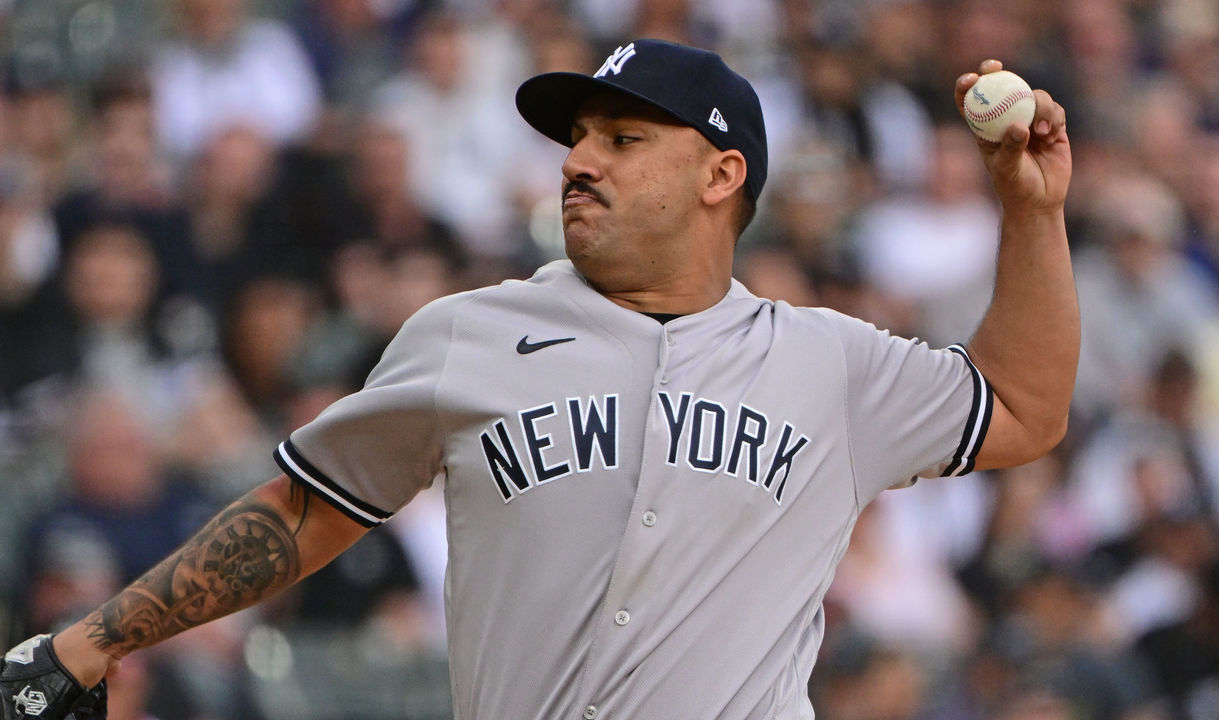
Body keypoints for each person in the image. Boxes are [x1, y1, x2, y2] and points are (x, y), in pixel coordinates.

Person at [1, 39, 1076, 720]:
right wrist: (93, 641)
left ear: (720, 174)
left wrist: (1030, 211)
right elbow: (299, 513)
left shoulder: (827, 360)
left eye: (620, 137)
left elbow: (1022, 406)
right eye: (574, 139)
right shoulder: (469, 333)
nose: (577, 161)